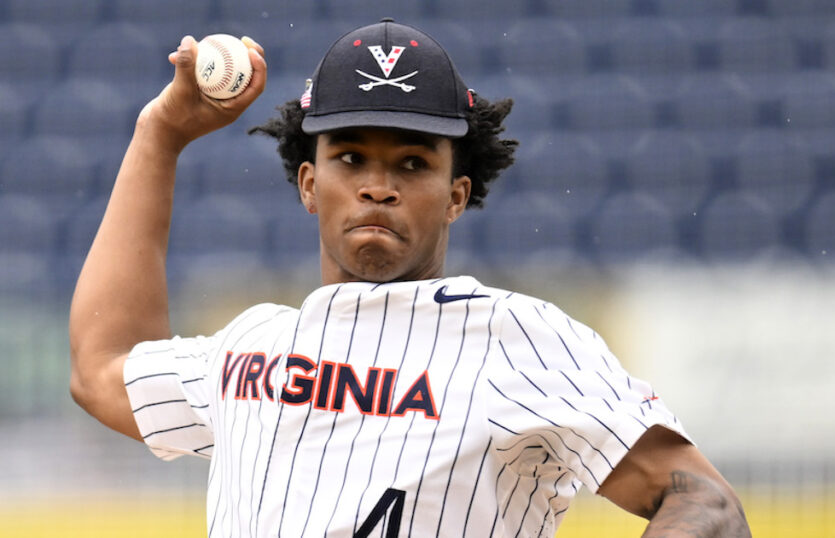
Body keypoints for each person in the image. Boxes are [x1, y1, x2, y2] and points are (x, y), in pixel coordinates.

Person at [69, 19, 751, 537]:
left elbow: (704, 501)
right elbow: (101, 368)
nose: (377, 187)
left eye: (413, 164)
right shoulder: (252, 346)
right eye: (351, 157)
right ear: (310, 184)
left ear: (457, 194)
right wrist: (159, 135)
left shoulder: (518, 340)